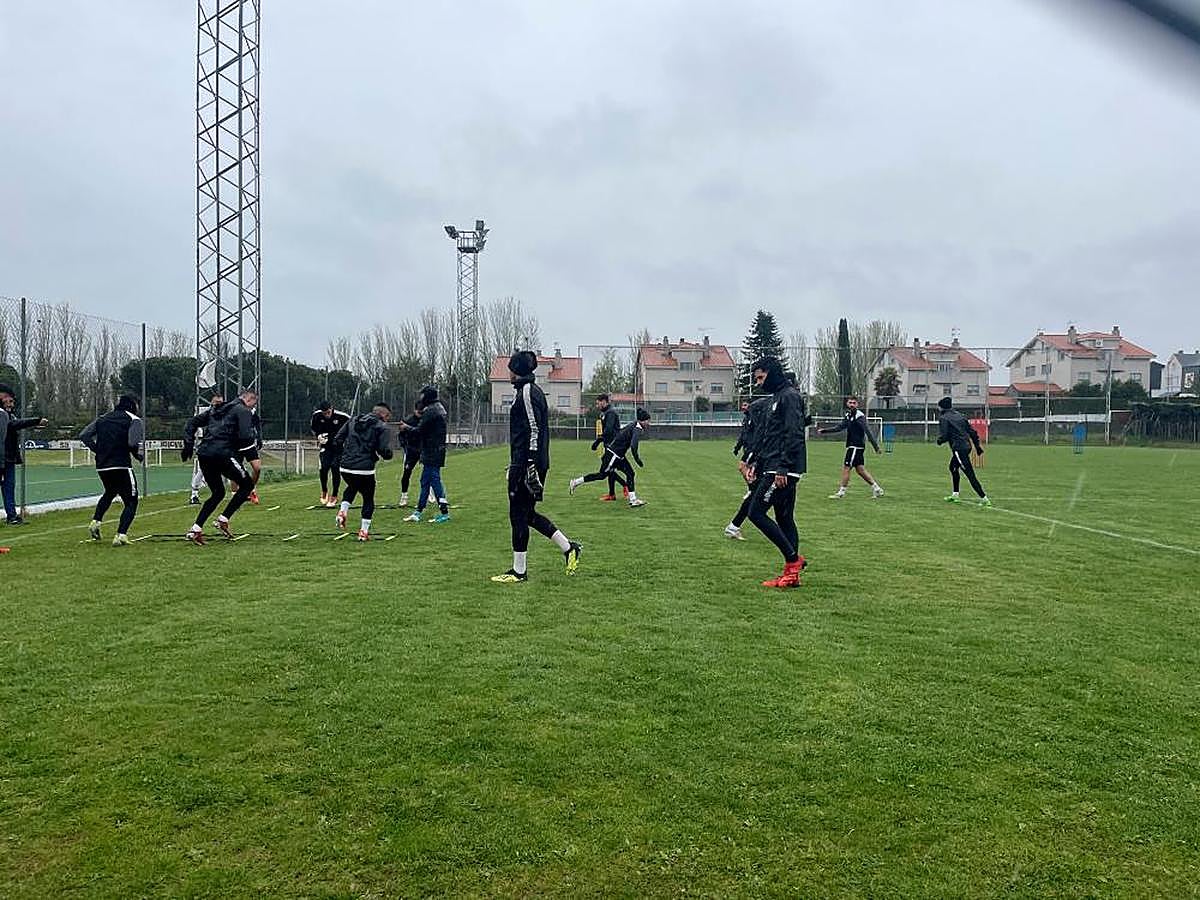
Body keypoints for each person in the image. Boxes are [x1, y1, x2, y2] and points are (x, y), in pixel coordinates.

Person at [491, 350, 581, 583]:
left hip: (528, 463)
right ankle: (569, 548)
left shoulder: (528, 392)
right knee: (527, 514)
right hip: (524, 461)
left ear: (517, 370)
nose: (508, 373)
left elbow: (534, 429)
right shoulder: (526, 391)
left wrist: (528, 464)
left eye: (510, 368)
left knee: (518, 514)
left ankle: (519, 571)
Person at [745, 357, 808, 588]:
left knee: (755, 513)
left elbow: (794, 433)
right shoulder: (777, 397)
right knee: (784, 518)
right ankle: (792, 576)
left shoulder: (789, 396)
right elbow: (771, 436)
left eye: (761, 378)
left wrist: (783, 467)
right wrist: (757, 463)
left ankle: (793, 560)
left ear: (772, 373)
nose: (759, 383)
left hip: (782, 469)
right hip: (773, 465)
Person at [182, 388, 258, 544]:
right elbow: (245, 436)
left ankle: (196, 528)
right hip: (223, 453)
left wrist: (188, 443)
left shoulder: (217, 408)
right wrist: (250, 453)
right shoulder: (243, 411)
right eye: (253, 404)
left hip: (204, 454)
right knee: (247, 485)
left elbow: (192, 422)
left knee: (218, 493)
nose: (252, 408)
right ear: (249, 399)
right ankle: (223, 519)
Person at [79, 395, 144, 546]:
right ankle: (121, 535)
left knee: (110, 492)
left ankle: (95, 522)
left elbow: (84, 435)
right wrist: (138, 455)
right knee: (131, 501)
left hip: (102, 465)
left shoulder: (102, 418)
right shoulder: (134, 419)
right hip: (121, 465)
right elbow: (133, 442)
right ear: (133, 405)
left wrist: (98, 450)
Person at [332, 401, 393, 541]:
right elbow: (383, 449)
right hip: (364, 469)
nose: (387, 419)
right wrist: (388, 455)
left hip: (345, 467)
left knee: (352, 486)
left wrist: (345, 454)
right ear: (383, 414)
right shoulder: (382, 427)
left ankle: (342, 511)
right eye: (388, 416)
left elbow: (338, 439)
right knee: (368, 497)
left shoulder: (353, 420)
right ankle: (363, 532)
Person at [569, 408, 650, 507]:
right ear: (642, 420)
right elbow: (633, 446)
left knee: (630, 473)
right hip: (613, 455)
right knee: (602, 475)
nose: (649, 423)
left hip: (618, 456)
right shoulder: (637, 428)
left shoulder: (633, 425)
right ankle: (575, 482)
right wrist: (637, 459)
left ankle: (633, 500)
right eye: (647, 421)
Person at [401, 386, 451, 524]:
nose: (421, 398)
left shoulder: (431, 411)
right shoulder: (439, 408)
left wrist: (406, 427)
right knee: (425, 481)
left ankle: (444, 512)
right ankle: (418, 511)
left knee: (434, 481)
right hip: (435, 450)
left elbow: (419, 430)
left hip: (431, 451)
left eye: (422, 396)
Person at [817, 396, 884, 499]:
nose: (852, 404)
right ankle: (877, 489)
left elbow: (868, 431)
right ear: (847, 404)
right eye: (850, 402)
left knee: (846, 468)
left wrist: (876, 447)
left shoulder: (859, 416)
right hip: (854, 446)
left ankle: (841, 492)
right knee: (860, 470)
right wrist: (825, 431)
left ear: (857, 404)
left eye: (854, 403)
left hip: (855, 446)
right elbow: (840, 427)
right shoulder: (848, 415)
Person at [0, 384, 48, 525]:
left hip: (8, 458)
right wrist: (35, 421)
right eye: (8, 400)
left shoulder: (9, 414)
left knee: (9, 487)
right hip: (1, 458)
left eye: (12, 401)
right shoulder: (2, 415)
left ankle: (12, 516)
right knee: (8, 487)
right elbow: (14, 425)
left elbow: (16, 424)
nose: (11, 403)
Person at [724, 396, 770, 540]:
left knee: (773, 501)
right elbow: (749, 437)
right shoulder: (757, 420)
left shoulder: (763, 421)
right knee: (757, 501)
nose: (744, 408)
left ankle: (733, 526)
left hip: (764, 458)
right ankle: (733, 526)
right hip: (759, 456)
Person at [936, 397, 991, 506]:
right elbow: (972, 432)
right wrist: (977, 447)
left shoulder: (944, 418)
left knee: (969, 473)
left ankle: (984, 498)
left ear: (941, 407)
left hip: (959, 448)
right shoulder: (960, 416)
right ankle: (955, 494)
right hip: (966, 446)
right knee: (953, 467)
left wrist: (940, 441)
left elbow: (945, 435)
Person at [310, 401, 350, 507]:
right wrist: (318, 436)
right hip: (325, 447)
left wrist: (345, 440)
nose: (327, 415)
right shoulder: (317, 416)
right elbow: (314, 429)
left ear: (331, 408)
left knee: (335, 467)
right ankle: (324, 490)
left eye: (328, 412)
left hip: (339, 448)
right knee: (324, 467)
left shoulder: (342, 417)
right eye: (324, 413)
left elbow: (352, 426)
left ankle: (334, 495)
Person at [189, 393, 224, 505]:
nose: (219, 404)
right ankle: (194, 494)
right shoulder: (207, 414)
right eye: (217, 402)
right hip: (207, 446)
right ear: (212, 403)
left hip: (220, 446)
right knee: (202, 470)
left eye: (220, 402)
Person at [589, 394, 624, 500]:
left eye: (598, 403)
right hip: (610, 446)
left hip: (613, 447)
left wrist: (598, 441)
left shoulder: (611, 413)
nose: (597, 406)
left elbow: (608, 430)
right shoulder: (605, 413)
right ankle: (613, 494)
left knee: (605, 471)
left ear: (604, 401)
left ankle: (625, 486)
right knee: (610, 470)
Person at [397, 403, 422, 506]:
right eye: (419, 411)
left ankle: (430, 494)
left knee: (428, 473)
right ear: (415, 410)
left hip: (423, 450)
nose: (420, 414)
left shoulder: (425, 420)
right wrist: (405, 446)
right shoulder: (408, 420)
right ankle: (404, 496)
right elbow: (401, 435)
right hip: (411, 451)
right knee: (406, 473)